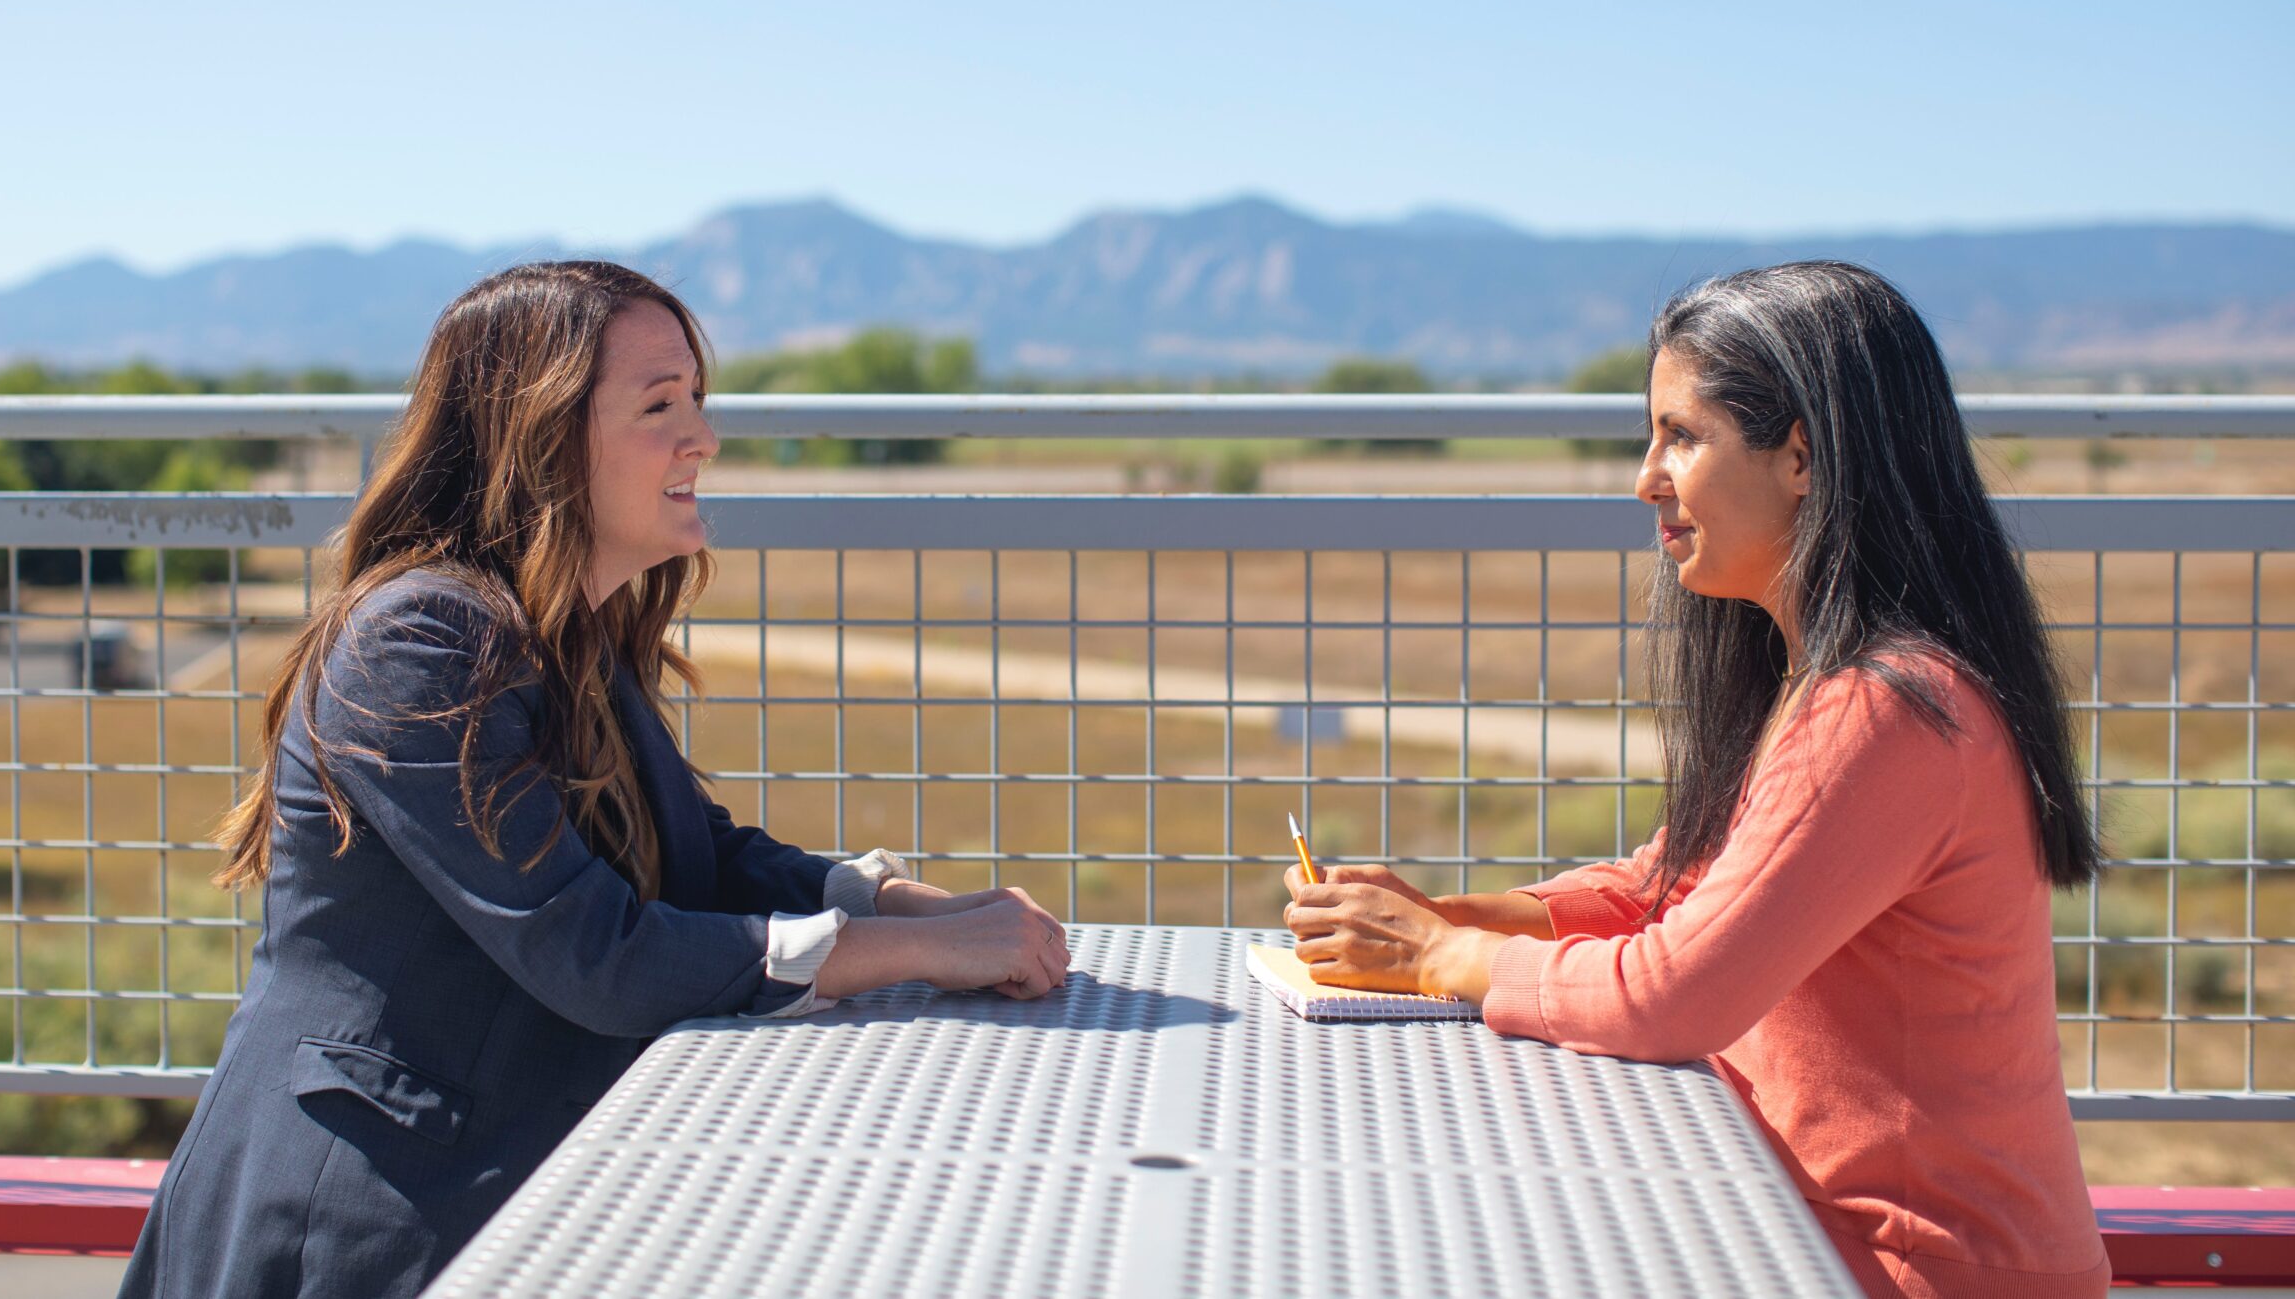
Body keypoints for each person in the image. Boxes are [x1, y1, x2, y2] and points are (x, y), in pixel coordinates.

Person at [120, 260, 1068, 1299]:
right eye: (660, 406)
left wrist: (907, 903)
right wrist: (919, 949)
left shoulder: (564, 632)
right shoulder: (418, 641)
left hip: (485, 1190)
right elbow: (594, 951)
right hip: (356, 1217)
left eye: (698, 403)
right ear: (538, 437)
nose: (701, 439)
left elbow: (703, 860)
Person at [1284, 261, 2109, 1299]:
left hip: (1913, 1270)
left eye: (1681, 436)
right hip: (1808, 1236)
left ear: (1800, 455)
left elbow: (1676, 992)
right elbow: (1671, 886)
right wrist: (1436, 918)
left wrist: (1451, 956)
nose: (1645, 477)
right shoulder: (1827, 681)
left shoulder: (1889, 711)